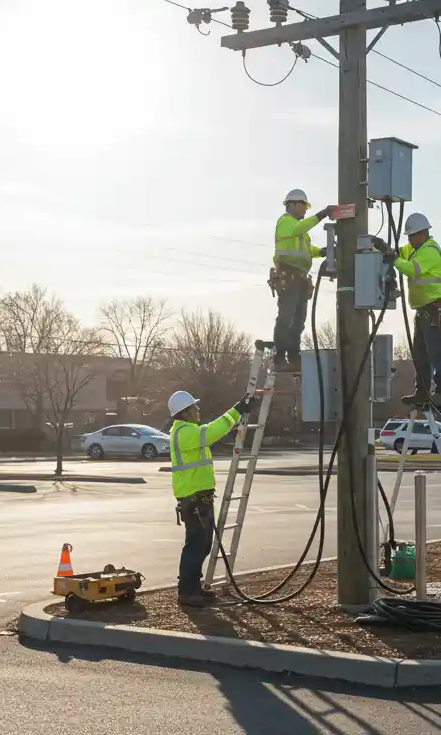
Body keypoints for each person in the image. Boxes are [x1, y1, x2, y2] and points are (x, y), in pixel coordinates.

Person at [167, 388, 259, 608]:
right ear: (186, 412)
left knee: (203, 544)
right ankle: (187, 591)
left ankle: (193, 586)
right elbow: (214, 431)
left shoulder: (187, 431)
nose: (198, 410)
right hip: (194, 499)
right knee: (196, 544)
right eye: (194, 407)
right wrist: (237, 410)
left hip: (199, 498)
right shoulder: (184, 433)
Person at [387, 212, 441, 406]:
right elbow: (400, 253)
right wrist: (380, 248)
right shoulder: (415, 248)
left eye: (411, 236)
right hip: (422, 310)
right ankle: (422, 390)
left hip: (434, 309)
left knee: (435, 351)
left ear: (422, 233)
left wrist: (393, 260)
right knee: (420, 354)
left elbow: (411, 269)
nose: (409, 240)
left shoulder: (430, 251)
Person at [272, 189, 336, 372]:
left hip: (299, 278)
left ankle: (293, 355)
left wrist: (322, 252)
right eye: (303, 206)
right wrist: (322, 214)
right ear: (291, 204)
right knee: (286, 317)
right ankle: (279, 356)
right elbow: (301, 228)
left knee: (298, 319)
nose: (305, 210)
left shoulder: (301, 233)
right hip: (289, 275)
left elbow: (309, 250)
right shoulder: (285, 222)